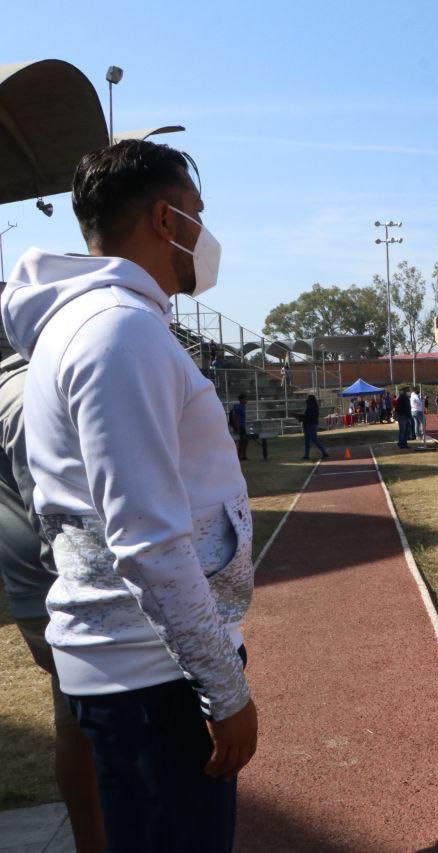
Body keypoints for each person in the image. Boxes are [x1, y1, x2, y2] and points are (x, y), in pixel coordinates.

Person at [1, 139, 257, 852]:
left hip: (140, 661)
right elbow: (146, 538)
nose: (206, 233)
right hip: (152, 673)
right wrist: (225, 688)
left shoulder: (93, 325)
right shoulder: (120, 332)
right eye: (197, 214)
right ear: (163, 218)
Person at [0, 354, 106, 852]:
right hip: (60, 593)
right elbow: (50, 515)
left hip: (40, 591)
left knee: (75, 721)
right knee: (93, 727)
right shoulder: (27, 393)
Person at [300, 394, 329, 461]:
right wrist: (302, 418)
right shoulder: (309, 406)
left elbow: (311, 416)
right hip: (307, 425)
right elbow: (307, 415)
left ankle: (324, 452)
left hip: (312, 425)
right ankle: (306, 455)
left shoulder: (314, 407)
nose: (307, 400)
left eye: (308, 399)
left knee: (314, 440)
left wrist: (304, 417)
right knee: (307, 441)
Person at [229, 393, 249, 461]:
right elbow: (235, 417)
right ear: (241, 400)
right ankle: (239, 456)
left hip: (242, 426)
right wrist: (236, 427)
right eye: (245, 399)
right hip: (239, 426)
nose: (246, 400)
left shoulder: (243, 407)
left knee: (245, 441)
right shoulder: (237, 407)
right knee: (240, 441)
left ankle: (243, 455)